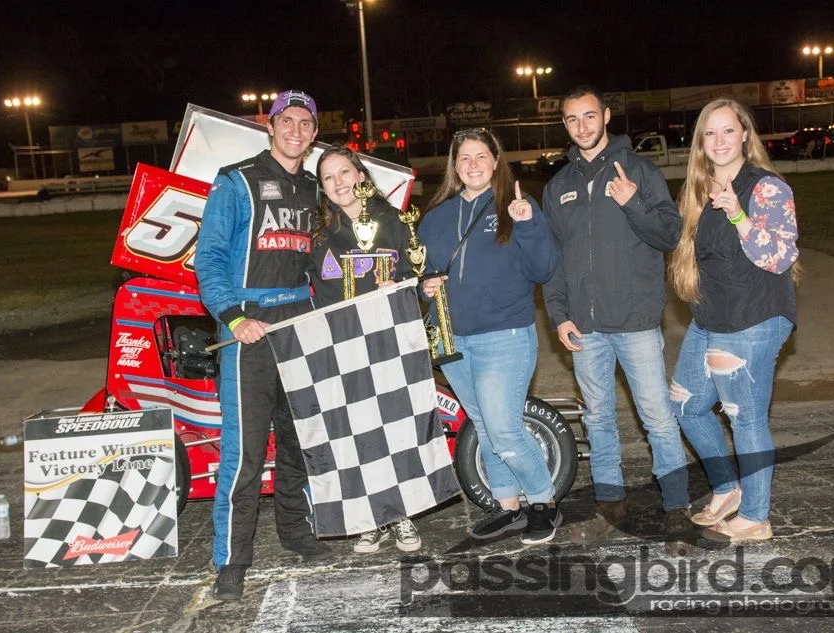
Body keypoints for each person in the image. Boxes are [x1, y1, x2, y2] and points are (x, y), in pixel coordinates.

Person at [541, 85, 693, 555]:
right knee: (598, 418)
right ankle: (610, 506)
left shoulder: (640, 172)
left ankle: (677, 510)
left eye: (589, 116)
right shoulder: (557, 187)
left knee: (658, 419)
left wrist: (632, 202)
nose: (582, 126)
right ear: (564, 124)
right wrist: (559, 315)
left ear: (606, 116)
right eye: (572, 119)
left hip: (635, 322)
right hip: (585, 328)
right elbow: (553, 262)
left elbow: (669, 235)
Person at [194, 89, 330, 601]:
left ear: (314, 133)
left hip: (300, 323)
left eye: (305, 123)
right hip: (247, 327)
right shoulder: (236, 180)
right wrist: (232, 317)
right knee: (245, 451)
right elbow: (208, 258)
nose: (296, 130)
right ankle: (231, 561)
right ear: (269, 126)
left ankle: (295, 531)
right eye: (286, 121)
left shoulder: (316, 189)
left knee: (298, 440)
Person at [417, 128, 561, 545]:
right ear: (454, 165)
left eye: (482, 156)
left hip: (505, 337)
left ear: (496, 162)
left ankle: (544, 502)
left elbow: (545, 269)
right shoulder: (436, 216)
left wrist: (527, 225)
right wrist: (423, 287)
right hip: (452, 340)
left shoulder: (516, 207)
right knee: (483, 425)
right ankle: (508, 506)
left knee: (503, 428)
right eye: (465, 157)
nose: (473, 164)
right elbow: (419, 273)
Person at [668, 98, 800, 543]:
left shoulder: (766, 188)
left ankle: (756, 516)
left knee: (745, 417)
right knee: (686, 406)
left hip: (753, 317)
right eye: (710, 132)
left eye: (728, 130)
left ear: (745, 134)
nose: (719, 140)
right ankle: (728, 489)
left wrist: (738, 215)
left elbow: (779, 257)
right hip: (712, 317)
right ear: (700, 142)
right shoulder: (698, 190)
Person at [308, 144, 421, 553]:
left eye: (344, 172)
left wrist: (403, 285)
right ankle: (371, 518)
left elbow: (418, 277)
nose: (338, 182)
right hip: (343, 347)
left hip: (389, 341)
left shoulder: (396, 223)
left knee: (394, 426)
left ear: (360, 175)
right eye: (328, 177)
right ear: (322, 188)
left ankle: (402, 512)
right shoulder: (319, 234)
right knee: (355, 432)